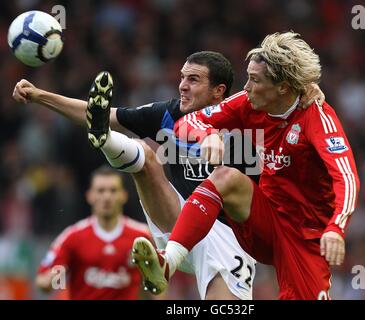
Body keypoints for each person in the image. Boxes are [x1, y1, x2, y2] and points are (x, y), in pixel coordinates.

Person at [13, 51, 324, 299]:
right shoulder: (168, 113)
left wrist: (307, 91)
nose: (182, 86)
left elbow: (289, 110)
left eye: (193, 79)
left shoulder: (250, 116)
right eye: (182, 77)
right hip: (178, 222)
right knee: (146, 158)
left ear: (219, 91)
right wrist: (41, 95)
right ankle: (105, 140)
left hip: (232, 237)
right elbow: (100, 115)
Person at [132, 32, 360, 300]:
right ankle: (167, 261)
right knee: (226, 177)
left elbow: (346, 177)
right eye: (248, 76)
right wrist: (207, 135)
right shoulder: (248, 103)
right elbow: (189, 122)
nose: (246, 86)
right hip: (266, 217)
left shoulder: (317, 117)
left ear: (283, 87)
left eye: (255, 79)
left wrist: (336, 227)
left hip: (305, 236)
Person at [35, 166, 151, 299]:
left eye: (113, 191)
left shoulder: (142, 237)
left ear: (123, 195)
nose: (107, 196)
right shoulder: (72, 237)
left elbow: (158, 286)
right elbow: (43, 281)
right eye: (101, 191)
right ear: (90, 196)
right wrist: (55, 278)